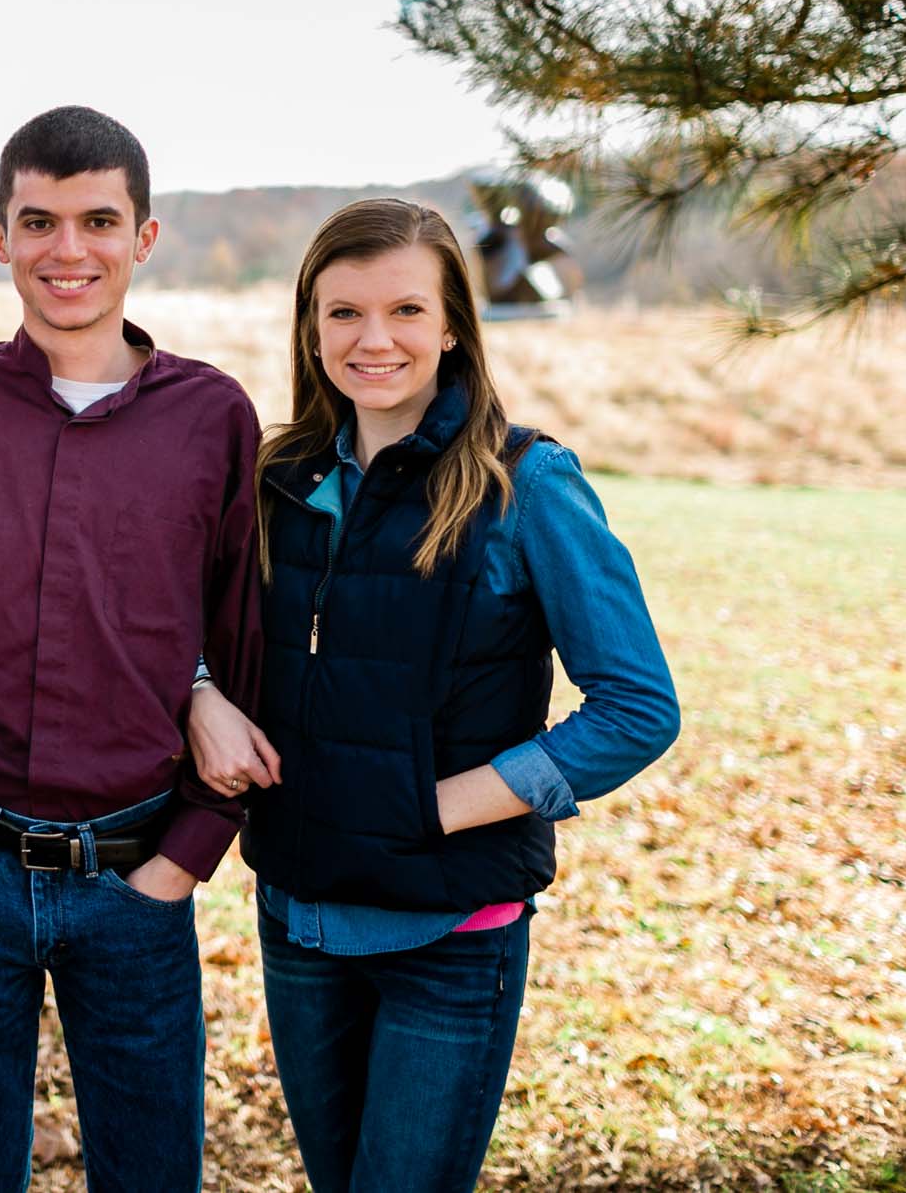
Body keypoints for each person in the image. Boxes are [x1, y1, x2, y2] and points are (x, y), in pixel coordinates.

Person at [204, 197, 681, 1192]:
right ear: (307, 325)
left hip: (449, 939)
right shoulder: (276, 480)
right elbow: (188, 635)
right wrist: (200, 691)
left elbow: (635, 706)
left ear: (454, 324)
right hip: (298, 919)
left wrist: (439, 806)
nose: (372, 340)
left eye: (405, 312)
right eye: (341, 314)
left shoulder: (524, 485)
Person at [0, 105, 266, 1190]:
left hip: (139, 878)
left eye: (95, 221)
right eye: (37, 222)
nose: (66, 251)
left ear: (143, 238)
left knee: (148, 1171)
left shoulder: (210, 417)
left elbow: (236, 637)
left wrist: (188, 855)